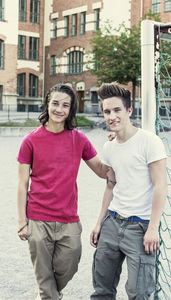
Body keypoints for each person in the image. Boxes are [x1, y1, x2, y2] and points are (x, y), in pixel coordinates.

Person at [17, 83, 107, 300]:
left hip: (68, 219)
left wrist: (119, 144)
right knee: (44, 279)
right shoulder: (30, 141)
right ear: (47, 104)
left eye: (65, 105)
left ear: (71, 109)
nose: (59, 109)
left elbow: (102, 171)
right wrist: (22, 221)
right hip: (38, 219)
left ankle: (49, 293)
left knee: (71, 262)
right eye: (55, 103)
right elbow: (22, 184)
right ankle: (48, 295)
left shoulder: (79, 139)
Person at [90, 83, 168, 300]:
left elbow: (161, 186)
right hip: (112, 223)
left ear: (129, 111)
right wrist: (99, 222)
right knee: (102, 290)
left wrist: (153, 228)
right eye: (107, 111)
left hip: (140, 228)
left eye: (117, 110)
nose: (112, 116)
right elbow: (110, 185)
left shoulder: (149, 142)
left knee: (138, 293)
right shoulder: (109, 147)